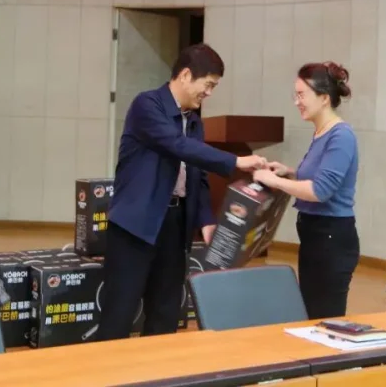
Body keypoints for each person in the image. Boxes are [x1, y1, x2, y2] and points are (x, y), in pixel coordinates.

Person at [97, 43, 267, 341]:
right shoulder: (147, 105)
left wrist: (206, 220)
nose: (209, 93)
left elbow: (196, 174)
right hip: (136, 225)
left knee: (165, 313)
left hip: (175, 226)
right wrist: (236, 162)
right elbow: (177, 145)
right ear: (186, 75)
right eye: (208, 85)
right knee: (119, 312)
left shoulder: (194, 120)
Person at [254, 61, 359, 320]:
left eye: (302, 95)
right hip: (315, 236)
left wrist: (274, 181)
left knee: (325, 319)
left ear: (324, 98)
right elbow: (316, 178)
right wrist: (288, 173)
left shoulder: (341, 136)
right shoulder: (321, 133)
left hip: (331, 239)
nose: (297, 102)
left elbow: (320, 190)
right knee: (312, 316)